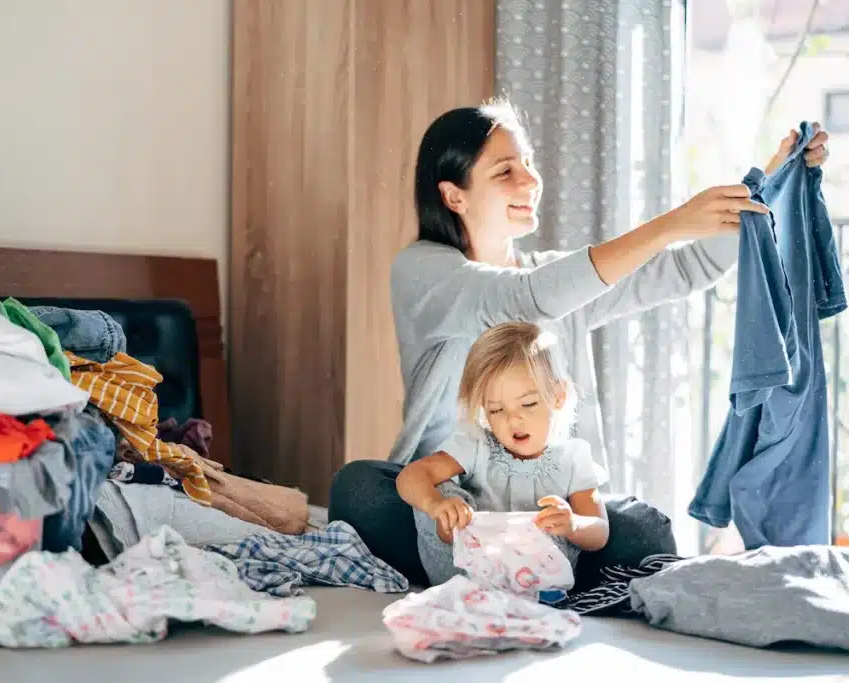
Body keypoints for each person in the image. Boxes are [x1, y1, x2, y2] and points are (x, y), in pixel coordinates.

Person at [328, 97, 833, 586]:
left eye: (528, 163)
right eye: (505, 170)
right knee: (359, 490)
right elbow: (524, 300)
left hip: (552, 509)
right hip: (453, 505)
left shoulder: (559, 280)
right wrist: (671, 223)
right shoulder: (424, 270)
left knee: (645, 532)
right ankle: (491, 566)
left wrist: (768, 187)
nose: (530, 180)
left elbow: (688, 267)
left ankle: (528, 564)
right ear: (454, 195)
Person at [397, 321, 609, 585]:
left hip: (539, 579)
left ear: (558, 396)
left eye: (528, 404)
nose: (513, 420)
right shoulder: (477, 445)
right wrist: (436, 505)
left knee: (639, 531)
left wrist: (574, 524)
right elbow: (411, 475)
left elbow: (600, 532)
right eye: (496, 410)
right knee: (442, 488)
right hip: (471, 572)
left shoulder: (573, 459)